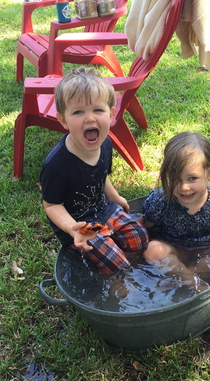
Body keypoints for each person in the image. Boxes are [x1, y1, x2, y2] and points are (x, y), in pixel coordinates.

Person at [40, 67, 149, 276]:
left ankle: (118, 251)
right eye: (78, 112)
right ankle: (111, 272)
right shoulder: (57, 164)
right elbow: (51, 205)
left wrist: (114, 196)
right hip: (81, 226)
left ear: (112, 114)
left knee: (140, 238)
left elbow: (102, 176)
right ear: (63, 120)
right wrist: (72, 228)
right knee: (118, 267)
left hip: (104, 211)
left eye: (98, 110)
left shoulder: (105, 144)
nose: (90, 119)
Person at [142, 131, 210, 271]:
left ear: (209, 173)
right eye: (175, 179)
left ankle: (188, 279)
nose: (184, 187)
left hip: (209, 250)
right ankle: (192, 282)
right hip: (172, 249)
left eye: (192, 178)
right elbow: (140, 229)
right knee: (153, 249)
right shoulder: (160, 202)